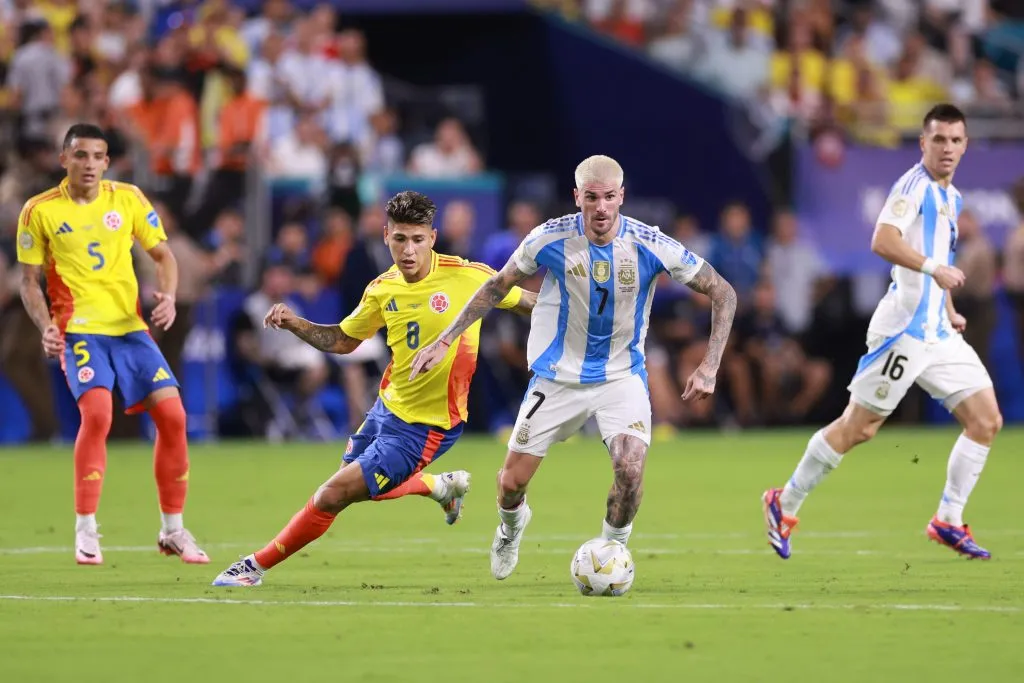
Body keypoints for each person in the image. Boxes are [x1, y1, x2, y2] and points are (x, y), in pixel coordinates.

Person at [410, 155, 738, 580]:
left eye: (608, 197)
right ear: (576, 197)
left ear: (622, 196)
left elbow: (723, 292)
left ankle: (612, 552)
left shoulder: (651, 244)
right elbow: (496, 287)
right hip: (557, 377)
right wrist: (444, 339)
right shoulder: (548, 238)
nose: (600, 207)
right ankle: (511, 529)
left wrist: (710, 365)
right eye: (591, 197)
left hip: (621, 376)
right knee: (510, 483)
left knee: (630, 467)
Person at [212, 191, 538, 587]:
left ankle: (253, 567)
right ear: (386, 236)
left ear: (432, 237)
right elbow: (345, 341)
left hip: (427, 427)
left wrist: (584, 309)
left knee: (333, 494)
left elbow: (527, 302)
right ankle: (440, 486)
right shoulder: (381, 288)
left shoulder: (467, 275)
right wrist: (296, 323)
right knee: (359, 486)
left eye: (417, 239)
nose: (409, 250)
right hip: (386, 409)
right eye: (400, 239)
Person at [761, 104, 1003, 560]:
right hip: (904, 332)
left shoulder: (952, 198)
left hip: (938, 332)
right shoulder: (911, 187)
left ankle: (947, 520)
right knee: (860, 428)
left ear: (965, 144)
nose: (947, 148)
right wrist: (936, 269)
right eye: (938, 140)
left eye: (955, 140)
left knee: (986, 420)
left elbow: (934, 256)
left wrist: (948, 306)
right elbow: (883, 240)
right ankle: (783, 501)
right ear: (923, 143)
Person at [16, 123, 207, 566]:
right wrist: (45, 324)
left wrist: (169, 296)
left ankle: (173, 531)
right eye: (79, 155)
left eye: (97, 156)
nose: (89, 164)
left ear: (107, 162)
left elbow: (164, 255)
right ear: (64, 159)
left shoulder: (129, 198)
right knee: (98, 414)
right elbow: (29, 281)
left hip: (129, 327)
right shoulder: (39, 210)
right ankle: (86, 528)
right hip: (79, 328)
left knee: (174, 417)